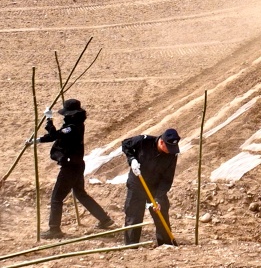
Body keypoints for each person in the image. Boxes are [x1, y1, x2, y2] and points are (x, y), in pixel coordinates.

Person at [28, 99, 114, 239]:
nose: (65, 116)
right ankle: (105, 220)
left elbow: (54, 136)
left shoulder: (72, 127)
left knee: (57, 198)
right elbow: (54, 136)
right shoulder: (76, 124)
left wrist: (49, 119)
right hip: (77, 165)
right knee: (81, 194)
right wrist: (36, 141)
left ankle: (54, 229)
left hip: (70, 167)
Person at [121, 128, 180, 246]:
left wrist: (158, 198)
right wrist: (132, 159)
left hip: (155, 187)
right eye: (168, 148)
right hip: (137, 183)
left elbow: (167, 179)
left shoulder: (172, 155)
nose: (170, 151)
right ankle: (131, 245)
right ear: (162, 142)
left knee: (161, 212)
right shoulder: (144, 141)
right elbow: (125, 144)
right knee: (133, 216)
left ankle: (166, 244)